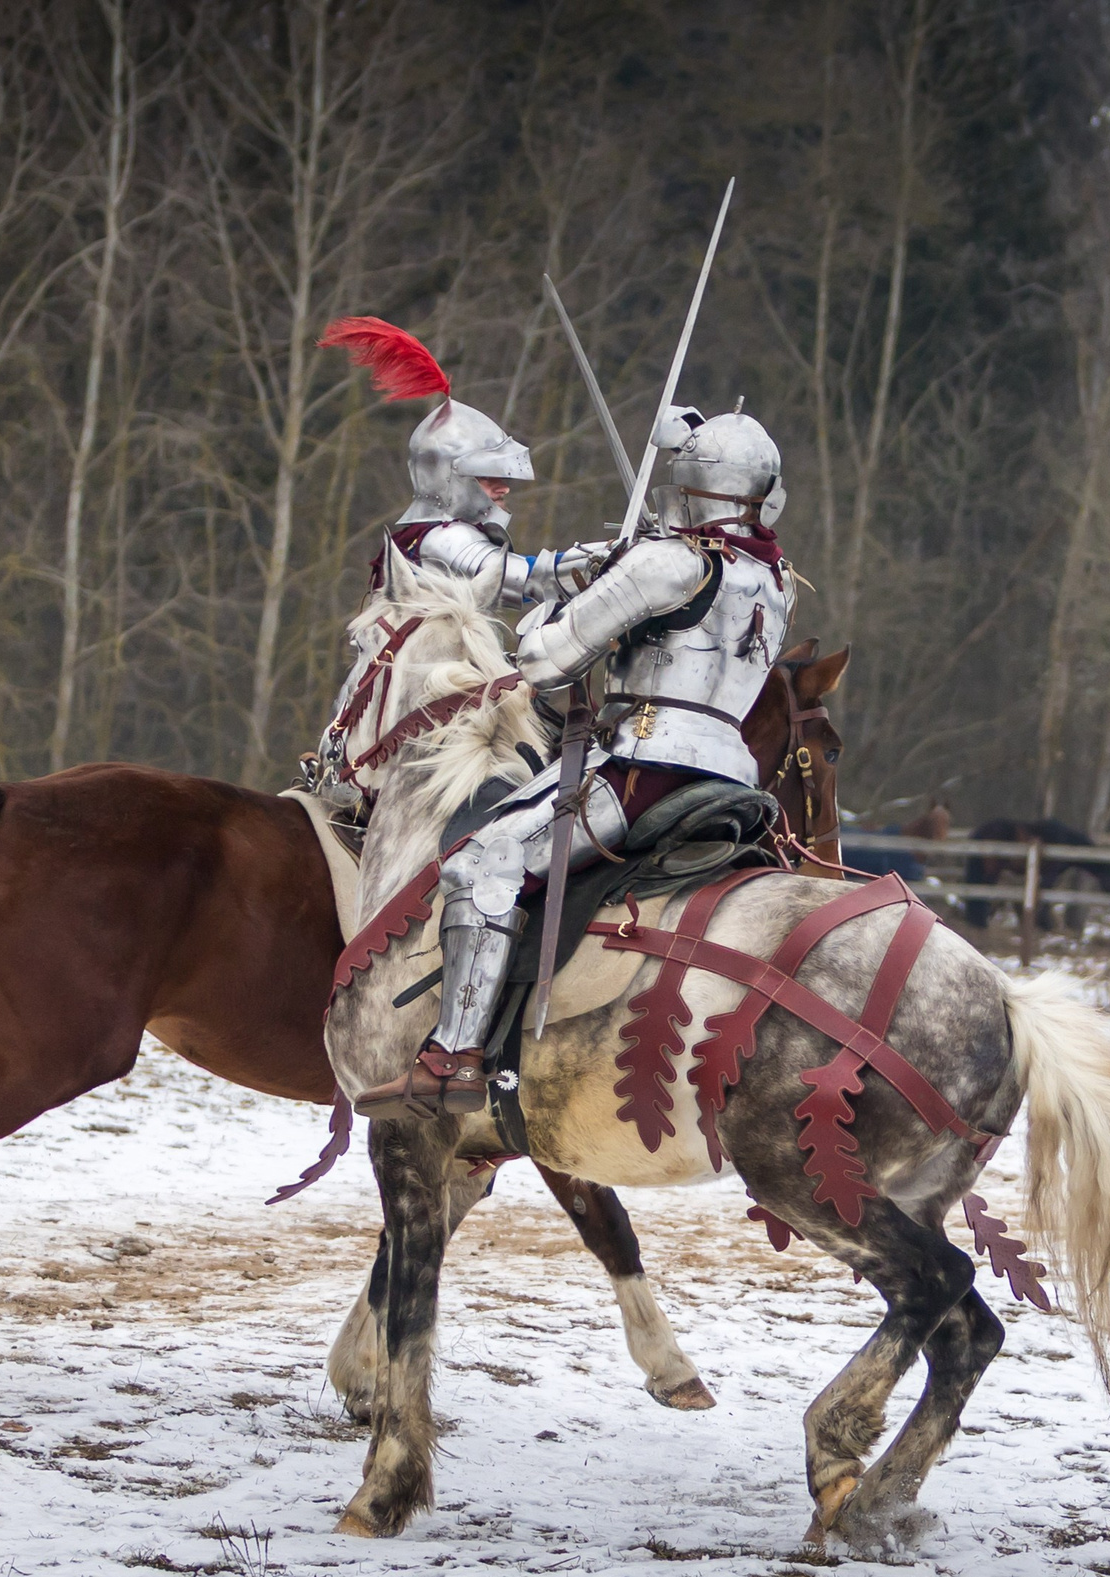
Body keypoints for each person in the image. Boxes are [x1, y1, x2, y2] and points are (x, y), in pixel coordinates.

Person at [354, 405, 796, 1117]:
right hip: (734, 773)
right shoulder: (775, 579)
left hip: (645, 768)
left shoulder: (667, 562)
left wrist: (584, 592)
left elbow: (543, 659)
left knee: (482, 863)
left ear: (682, 484)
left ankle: (454, 1056)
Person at [307, 318, 602, 812]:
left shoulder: (430, 534)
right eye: (490, 478)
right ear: (452, 477)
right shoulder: (444, 539)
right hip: (417, 708)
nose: (503, 488)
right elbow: (525, 578)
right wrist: (608, 560)